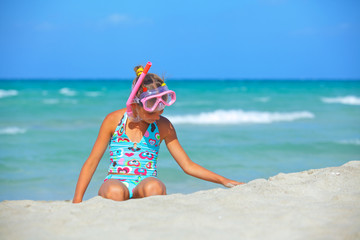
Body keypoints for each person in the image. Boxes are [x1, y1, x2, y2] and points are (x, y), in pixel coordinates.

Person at [72, 63, 244, 203]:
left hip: (145, 182)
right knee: (114, 191)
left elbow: (187, 165)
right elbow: (92, 162)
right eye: (151, 112)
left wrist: (224, 180)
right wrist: (77, 201)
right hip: (116, 181)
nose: (158, 116)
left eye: (161, 110)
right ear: (134, 105)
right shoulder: (113, 120)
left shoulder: (163, 126)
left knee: (154, 187)